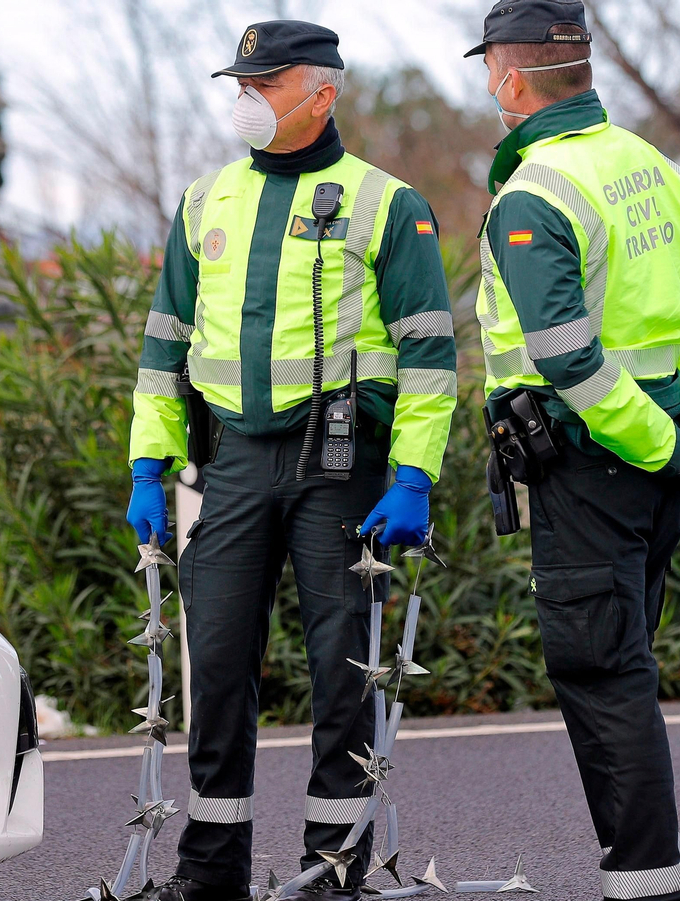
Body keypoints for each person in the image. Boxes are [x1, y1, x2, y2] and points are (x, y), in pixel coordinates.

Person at [124, 19, 458, 901]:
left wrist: (415, 474)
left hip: (339, 467)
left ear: (324, 91)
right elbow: (164, 344)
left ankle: (331, 867)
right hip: (231, 463)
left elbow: (430, 358)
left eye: (267, 84)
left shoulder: (389, 204)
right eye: (242, 83)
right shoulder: (204, 203)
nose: (249, 99)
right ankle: (210, 874)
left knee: (343, 670)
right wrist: (148, 468)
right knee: (219, 666)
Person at [464, 1, 680, 900]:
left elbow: (567, 356)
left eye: (488, 66)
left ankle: (648, 885)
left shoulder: (538, 189)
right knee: (628, 668)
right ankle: (654, 876)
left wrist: (660, 446)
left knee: (604, 676)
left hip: (593, 465)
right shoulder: (653, 166)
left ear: (510, 76)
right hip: (660, 464)